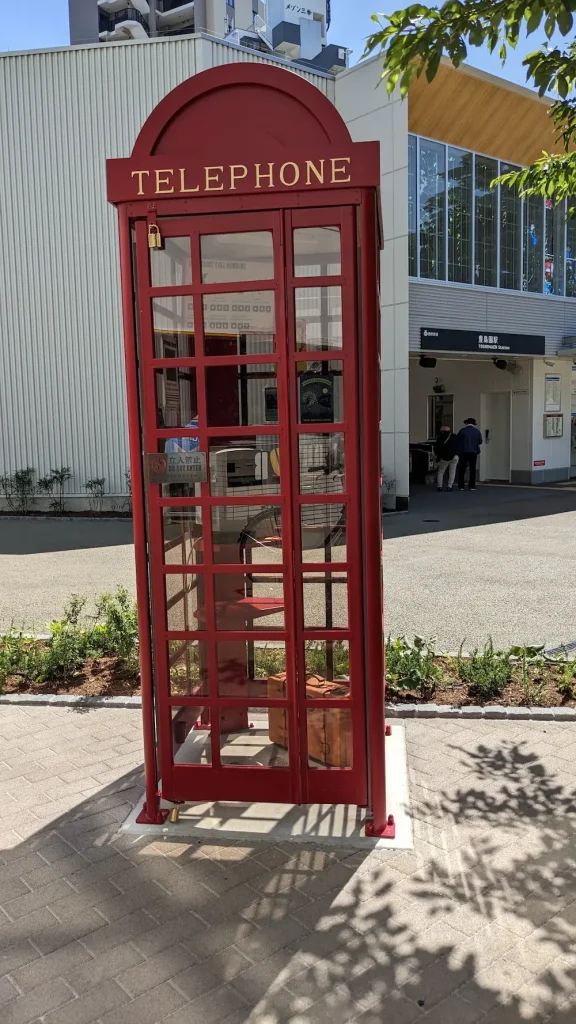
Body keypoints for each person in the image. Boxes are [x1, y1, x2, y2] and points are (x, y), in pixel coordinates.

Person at [457, 417, 483, 491]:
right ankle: (472, 485)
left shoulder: (462, 431)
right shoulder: (477, 431)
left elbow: (458, 440)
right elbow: (480, 441)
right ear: (474, 424)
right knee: (472, 468)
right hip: (473, 452)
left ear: (466, 423)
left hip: (463, 452)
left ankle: (461, 485)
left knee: (462, 468)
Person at [434, 425, 459, 491]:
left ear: (442, 431)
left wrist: (438, 456)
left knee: (441, 471)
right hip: (454, 456)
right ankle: (449, 486)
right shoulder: (455, 436)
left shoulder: (440, 437)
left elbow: (437, 448)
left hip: (444, 457)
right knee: (452, 471)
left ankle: (439, 486)